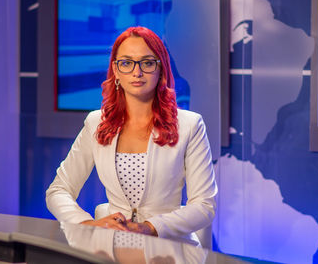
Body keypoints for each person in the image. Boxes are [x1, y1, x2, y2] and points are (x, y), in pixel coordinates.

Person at [46, 26, 217, 246]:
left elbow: (204, 206)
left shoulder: (190, 125)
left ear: (160, 69)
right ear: (116, 70)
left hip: (169, 249)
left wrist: (150, 228)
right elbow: (58, 190)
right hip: (110, 247)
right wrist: (85, 224)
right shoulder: (96, 123)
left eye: (147, 63)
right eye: (126, 63)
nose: (137, 73)